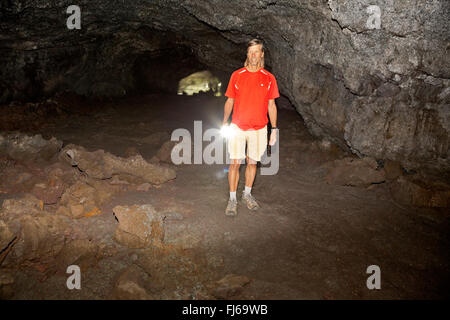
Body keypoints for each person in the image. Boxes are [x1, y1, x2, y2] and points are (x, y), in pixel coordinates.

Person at [222, 38, 280, 216]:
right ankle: (232, 199)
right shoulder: (237, 75)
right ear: (247, 54)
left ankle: (247, 194)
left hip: (259, 128)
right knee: (234, 163)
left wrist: (274, 129)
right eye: (250, 52)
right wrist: (224, 122)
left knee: (252, 163)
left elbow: (271, 105)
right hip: (238, 127)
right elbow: (230, 100)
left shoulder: (269, 78)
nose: (254, 55)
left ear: (262, 54)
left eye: (257, 52)